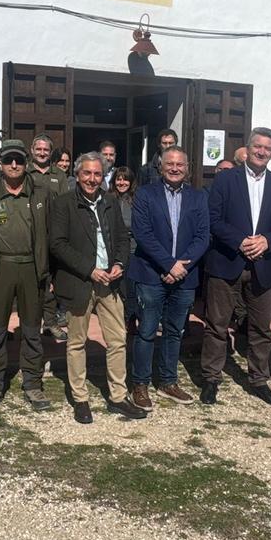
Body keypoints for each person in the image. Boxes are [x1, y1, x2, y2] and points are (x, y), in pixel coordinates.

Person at [200, 128, 271, 406]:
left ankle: (258, 380)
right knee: (217, 326)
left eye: (268, 148)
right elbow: (213, 219)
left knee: (261, 328)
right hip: (226, 261)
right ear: (248, 147)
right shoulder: (226, 179)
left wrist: (267, 241)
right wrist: (241, 241)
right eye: (258, 146)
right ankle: (211, 379)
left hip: (263, 266)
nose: (262, 151)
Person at [49, 152, 145, 423]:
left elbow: (123, 239)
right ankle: (80, 398)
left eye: (96, 174)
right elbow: (57, 244)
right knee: (76, 343)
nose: (92, 179)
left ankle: (117, 397)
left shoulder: (111, 202)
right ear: (78, 175)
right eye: (86, 173)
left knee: (117, 340)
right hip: (81, 282)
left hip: (110, 282)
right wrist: (89, 269)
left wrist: (119, 264)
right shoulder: (64, 203)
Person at [0, 139, 54, 412]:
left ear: (26, 162)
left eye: (18, 159)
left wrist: (51, 275)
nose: (13, 165)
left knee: (31, 331)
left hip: (32, 269)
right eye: (8, 160)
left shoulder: (40, 193)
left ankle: (32, 385)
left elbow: (52, 236)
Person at [127, 146, 209, 409]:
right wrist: (168, 264)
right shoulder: (145, 193)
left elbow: (203, 236)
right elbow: (142, 233)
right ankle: (140, 384)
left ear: (187, 168)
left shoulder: (198, 197)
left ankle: (168, 382)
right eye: (170, 164)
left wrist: (181, 266)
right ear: (160, 166)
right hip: (152, 273)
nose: (175, 168)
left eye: (180, 165)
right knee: (147, 331)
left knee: (175, 331)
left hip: (185, 275)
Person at [28, 134, 70, 341]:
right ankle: (32, 324)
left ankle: (51, 322)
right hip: (30, 236)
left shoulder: (59, 176)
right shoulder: (25, 172)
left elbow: (65, 206)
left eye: (46, 150)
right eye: (39, 149)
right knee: (32, 283)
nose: (42, 153)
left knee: (52, 282)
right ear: (32, 150)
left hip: (53, 235)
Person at [113, 166, 139, 324]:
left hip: (133, 248)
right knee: (116, 286)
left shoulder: (136, 199)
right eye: (118, 179)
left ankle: (130, 317)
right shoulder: (108, 198)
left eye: (125, 179)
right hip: (113, 249)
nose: (121, 182)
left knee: (130, 286)